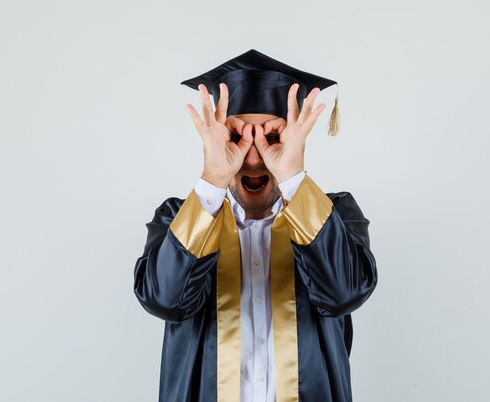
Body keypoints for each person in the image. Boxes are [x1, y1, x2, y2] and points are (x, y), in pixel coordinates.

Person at [133, 49, 378, 402]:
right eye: (236, 138)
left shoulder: (334, 214)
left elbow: (345, 294)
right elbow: (165, 301)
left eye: (272, 139)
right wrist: (214, 176)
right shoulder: (180, 217)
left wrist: (292, 174)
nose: (252, 156)